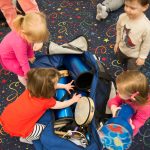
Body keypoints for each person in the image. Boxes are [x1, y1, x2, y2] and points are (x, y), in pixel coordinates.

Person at [0, 68, 81, 144]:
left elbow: (50, 85)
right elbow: (60, 104)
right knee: (44, 130)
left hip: (8, 116)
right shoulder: (46, 101)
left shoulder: (30, 88)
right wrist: (73, 100)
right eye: (55, 83)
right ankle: (26, 138)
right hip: (19, 127)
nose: (56, 84)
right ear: (48, 89)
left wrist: (64, 86)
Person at [0, 12, 49, 86]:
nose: (34, 42)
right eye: (34, 40)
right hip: (9, 58)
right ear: (26, 34)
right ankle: (27, 86)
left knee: (27, 57)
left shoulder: (25, 33)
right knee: (21, 72)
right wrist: (28, 74)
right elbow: (23, 62)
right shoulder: (19, 44)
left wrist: (31, 55)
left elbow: (28, 45)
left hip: (15, 51)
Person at [108, 70, 150, 136]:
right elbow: (114, 100)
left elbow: (139, 121)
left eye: (119, 91)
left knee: (126, 135)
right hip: (123, 113)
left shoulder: (146, 108)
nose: (117, 91)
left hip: (131, 123)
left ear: (132, 96)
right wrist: (113, 107)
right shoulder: (126, 93)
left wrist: (131, 126)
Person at [114, 0, 150, 70]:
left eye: (132, 8)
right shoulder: (122, 17)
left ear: (145, 7)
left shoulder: (147, 27)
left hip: (135, 55)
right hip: (122, 48)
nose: (127, 10)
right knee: (120, 59)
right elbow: (118, 30)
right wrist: (117, 42)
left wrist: (142, 57)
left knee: (132, 70)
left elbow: (147, 44)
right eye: (126, 5)